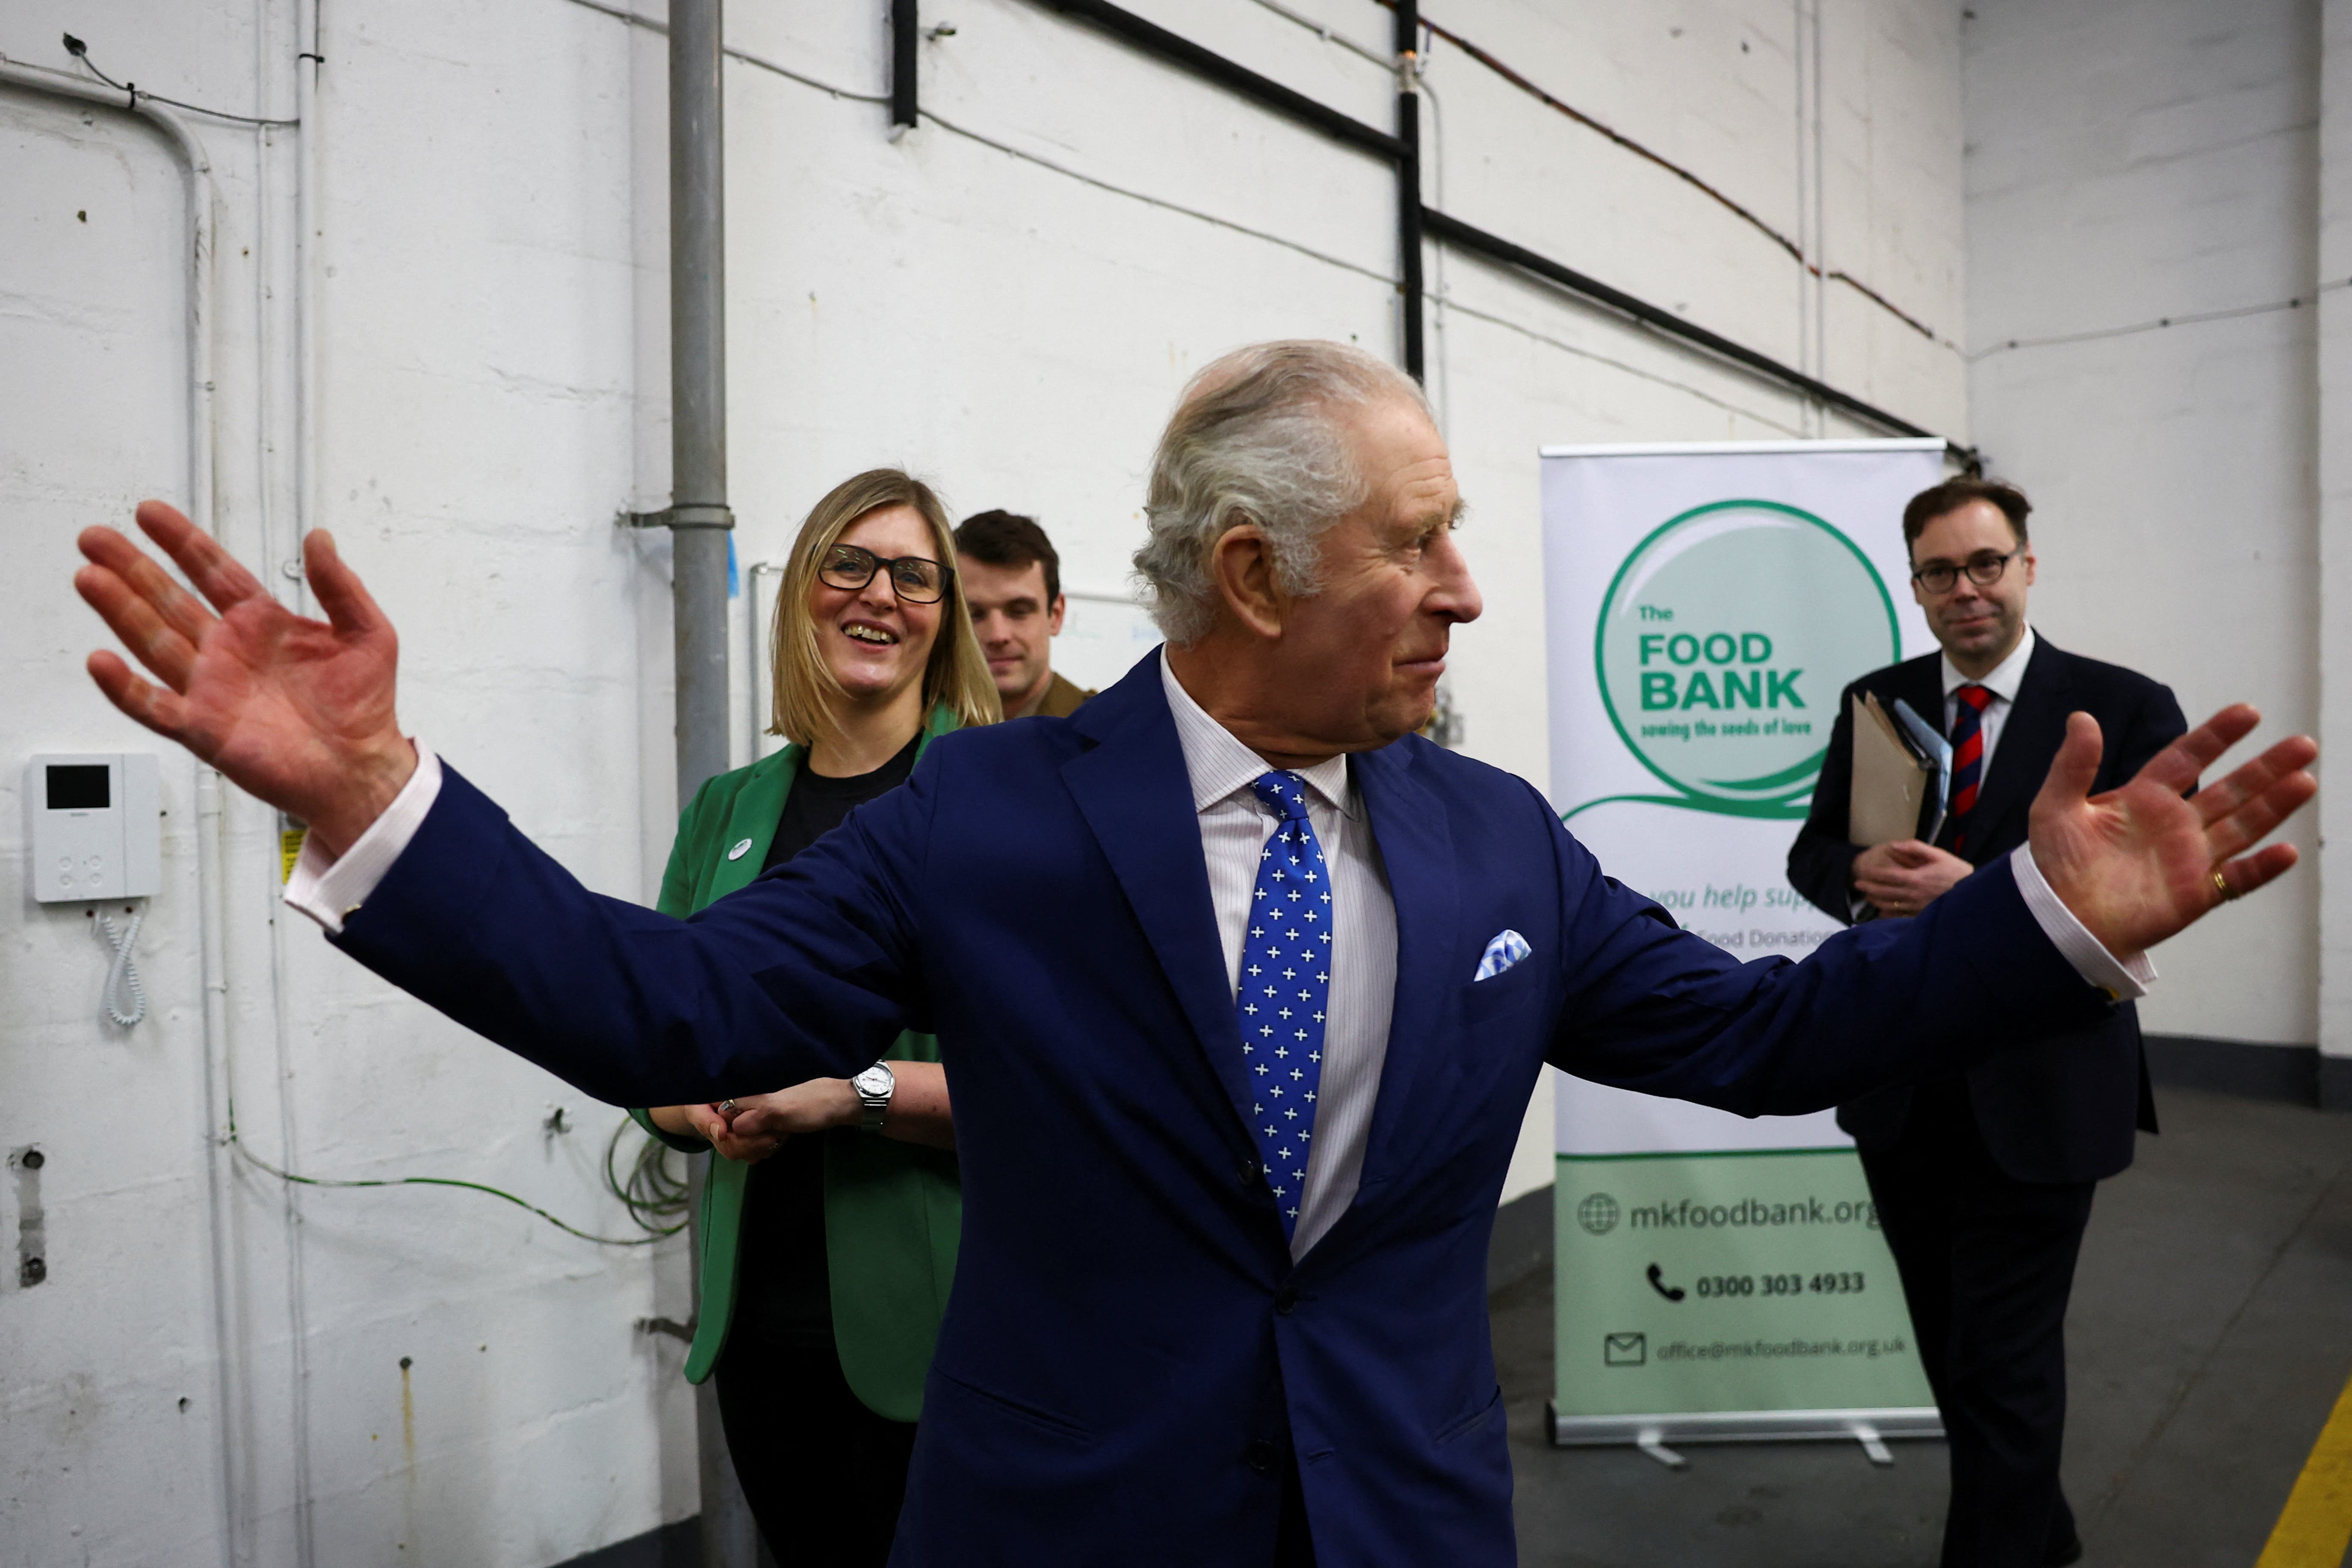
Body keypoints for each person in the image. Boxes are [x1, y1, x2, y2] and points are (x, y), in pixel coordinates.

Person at [72, 342, 2314, 1568]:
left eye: (1455, 540)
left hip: (1405, 1521)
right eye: (1413, 545)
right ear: (1250, 575)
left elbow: (1755, 1032)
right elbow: (672, 1010)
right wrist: (365, 797)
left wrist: (2041, 921)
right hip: (1068, 1520)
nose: (1459, 593)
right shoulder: (986, 814)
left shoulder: (1491, 834)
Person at [1787, 478, 2187, 1568]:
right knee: (1952, 1350)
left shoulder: (2121, 706)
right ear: (1913, 583)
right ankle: (2037, 1531)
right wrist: (1854, 871)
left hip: (2043, 1083)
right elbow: (1812, 851)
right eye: (1938, 570)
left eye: (1984, 563)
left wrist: (1980, 892)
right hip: (1902, 1078)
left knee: (2001, 1359)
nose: (1964, 590)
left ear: (2025, 565)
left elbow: (2151, 887)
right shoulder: (1875, 699)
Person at [633, 469, 999, 1565]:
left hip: (941, 1327)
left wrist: (851, 1096)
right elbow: (654, 1040)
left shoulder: (996, 800)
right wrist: (696, 1109)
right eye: (847, 563)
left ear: (943, 617)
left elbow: (1058, 1083)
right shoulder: (727, 808)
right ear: (802, 591)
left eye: (911, 574)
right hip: (763, 1331)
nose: (876, 594)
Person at [953, 509, 1094, 718]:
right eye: (974, 615)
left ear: (1055, 615)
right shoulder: (914, 734)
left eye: (1019, 612)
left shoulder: (1107, 731)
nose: (998, 636)